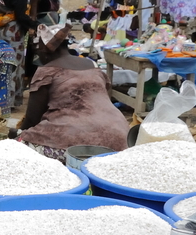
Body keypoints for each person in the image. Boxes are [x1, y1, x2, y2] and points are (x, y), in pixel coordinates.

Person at [17, 23, 129, 160]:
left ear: (45, 49)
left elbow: (32, 119)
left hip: (77, 142)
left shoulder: (46, 71)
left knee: (18, 145)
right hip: (120, 137)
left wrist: (18, 134)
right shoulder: (91, 65)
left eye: (38, 48)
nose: (37, 53)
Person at [0, 0, 38, 102]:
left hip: (3, 29)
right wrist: (35, 25)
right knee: (13, 64)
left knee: (3, 61)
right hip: (14, 32)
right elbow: (21, 15)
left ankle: (0, 97)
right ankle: (10, 99)